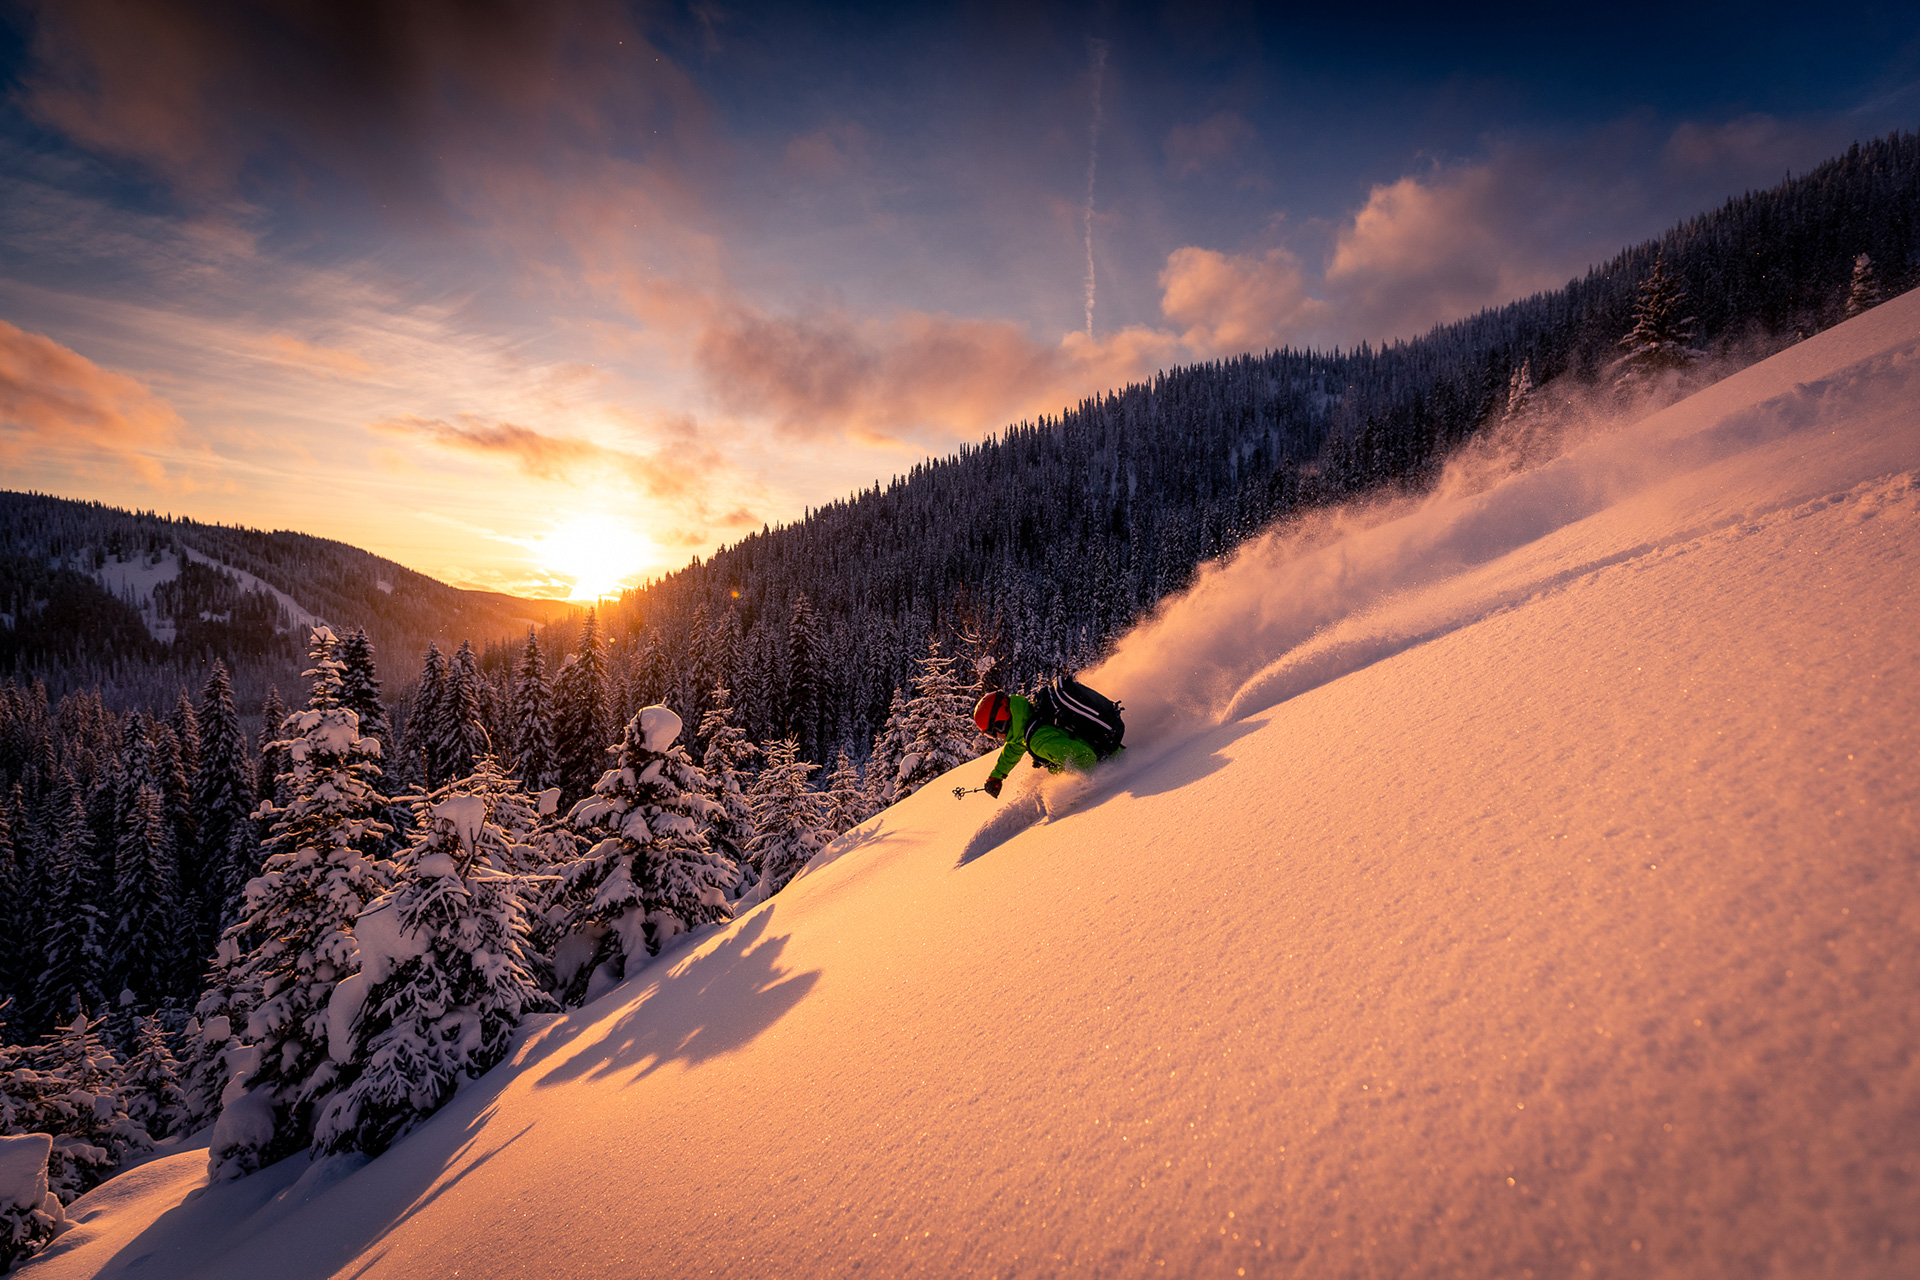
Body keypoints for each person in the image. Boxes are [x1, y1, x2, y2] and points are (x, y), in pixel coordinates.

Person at [973, 689, 1096, 798]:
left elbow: (1085, 759)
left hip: (1100, 762)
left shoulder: (1038, 742)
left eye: (991, 734)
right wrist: (996, 776)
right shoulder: (1026, 719)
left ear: (1001, 724)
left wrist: (1070, 786)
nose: (996, 738)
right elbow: (1013, 749)